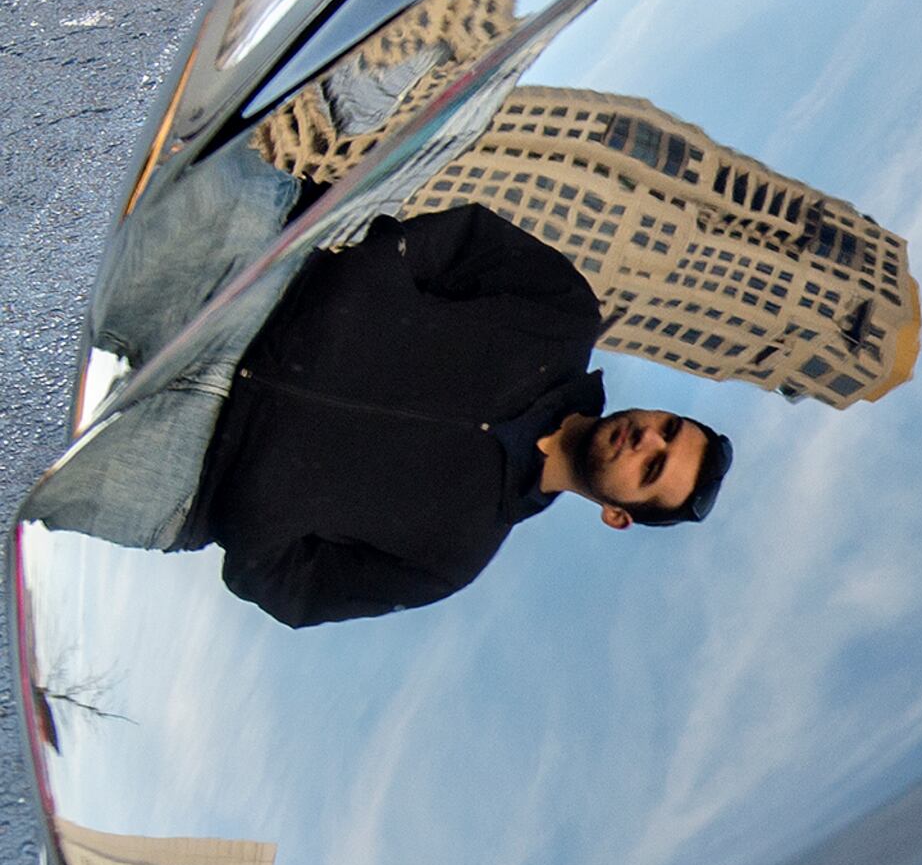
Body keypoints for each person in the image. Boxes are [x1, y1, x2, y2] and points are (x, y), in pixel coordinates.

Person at [193, 202, 732, 628]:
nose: (647, 440)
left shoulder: (452, 559)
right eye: (668, 428)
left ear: (618, 513)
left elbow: (293, 591)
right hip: (253, 272)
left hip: (181, 469)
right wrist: (351, 283)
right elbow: (460, 241)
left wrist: (248, 496)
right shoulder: (564, 314)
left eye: (652, 469)